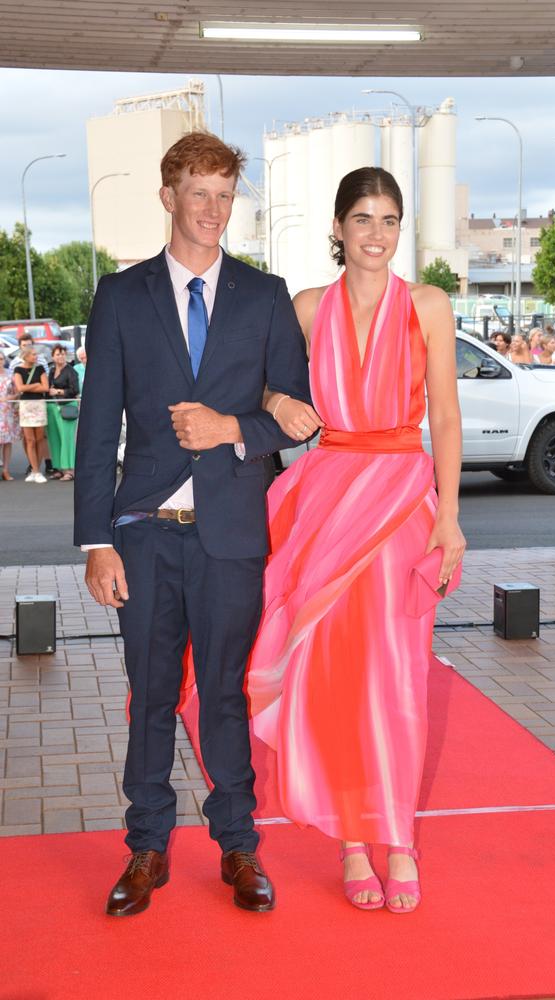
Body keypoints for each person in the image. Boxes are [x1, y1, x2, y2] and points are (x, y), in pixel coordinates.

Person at [74, 131, 312, 917]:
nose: (213, 209)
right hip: (142, 533)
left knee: (223, 695)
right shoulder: (120, 295)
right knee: (148, 695)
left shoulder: (266, 295)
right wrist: (96, 540)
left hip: (230, 536)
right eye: (198, 192)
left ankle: (238, 848)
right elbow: (98, 421)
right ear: (168, 196)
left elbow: (299, 415)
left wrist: (233, 428)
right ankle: (146, 848)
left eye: (224, 194)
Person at [246, 167, 465, 913]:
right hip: (329, 499)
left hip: (404, 499)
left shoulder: (429, 305)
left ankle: (397, 836)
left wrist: (450, 517)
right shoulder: (307, 307)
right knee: (336, 675)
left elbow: (445, 417)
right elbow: (260, 384)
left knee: (398, 677)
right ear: (338, 228)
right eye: (363, 219)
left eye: (390, 219)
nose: (377, 234)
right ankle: (349, 841)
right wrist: (278, 397)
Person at [13, 346, 49, 483]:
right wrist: (35, 385)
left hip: (39, 404)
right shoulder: (18, 370)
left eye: (36, 354)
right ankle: (35, 470)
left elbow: (45, 387)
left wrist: (31, 387)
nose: (35, 357)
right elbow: (20, 388)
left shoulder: (40, 368)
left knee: (40, 438)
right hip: (26, 406)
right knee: (30, 440)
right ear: (26, 356)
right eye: (33, 354)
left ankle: (37, 470)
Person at [47, 344, 79, 481]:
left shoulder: (70, 371)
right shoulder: (51, 370)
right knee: (54, 439)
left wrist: (59, 391)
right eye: (58, 354)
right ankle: (59, 468)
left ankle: (70, 469)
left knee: (67, 439)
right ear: (53, 357)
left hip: (67, 406)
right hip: (52, 407)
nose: (60, 356)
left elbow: (74, 390)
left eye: (62, 354)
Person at [0, 352, 21, 480]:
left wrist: (10, 397)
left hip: (7, 412)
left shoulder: (9, 374)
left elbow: (17, 392)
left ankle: (6, 470)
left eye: (1, 358)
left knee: (7, 442)